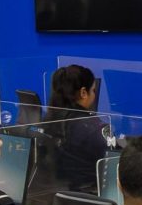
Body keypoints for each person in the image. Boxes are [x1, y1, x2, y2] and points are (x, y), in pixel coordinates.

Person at [47, 65, 110, 195]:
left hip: (55, 195)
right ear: (83, 93)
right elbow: (112, 159)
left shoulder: (49, 121)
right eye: (93, 90)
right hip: (90, 197)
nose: (94, 95)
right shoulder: (94, 128)